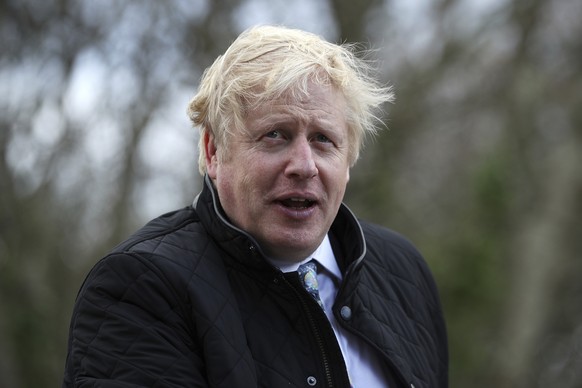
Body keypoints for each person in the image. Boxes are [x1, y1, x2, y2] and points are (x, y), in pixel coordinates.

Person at [63, 25, 448, 388]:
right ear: (214, 151)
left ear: (349, 160)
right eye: (275, 135)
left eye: (323, 139)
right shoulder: (141, 290)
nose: (303, 165)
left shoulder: (402, 271)